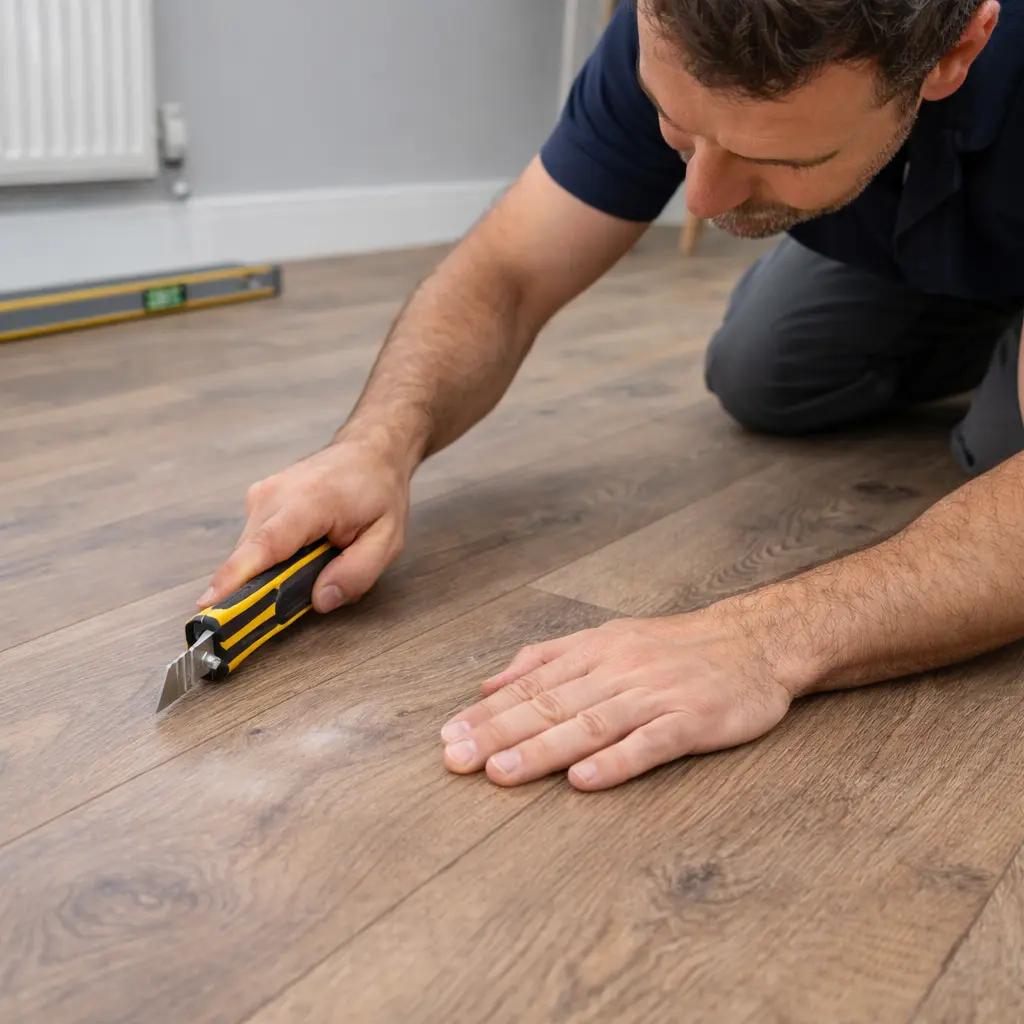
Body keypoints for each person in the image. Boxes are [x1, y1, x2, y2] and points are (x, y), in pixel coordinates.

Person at [200, 0, 1024, 792]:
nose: (701, 199)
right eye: (679, 130)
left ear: (954, 53)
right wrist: (377, 441)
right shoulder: (669, 24)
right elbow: (509, 275)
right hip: (925, 245)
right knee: (762, 371)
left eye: (780, 159)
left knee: (1000, 454)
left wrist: (765, 639)